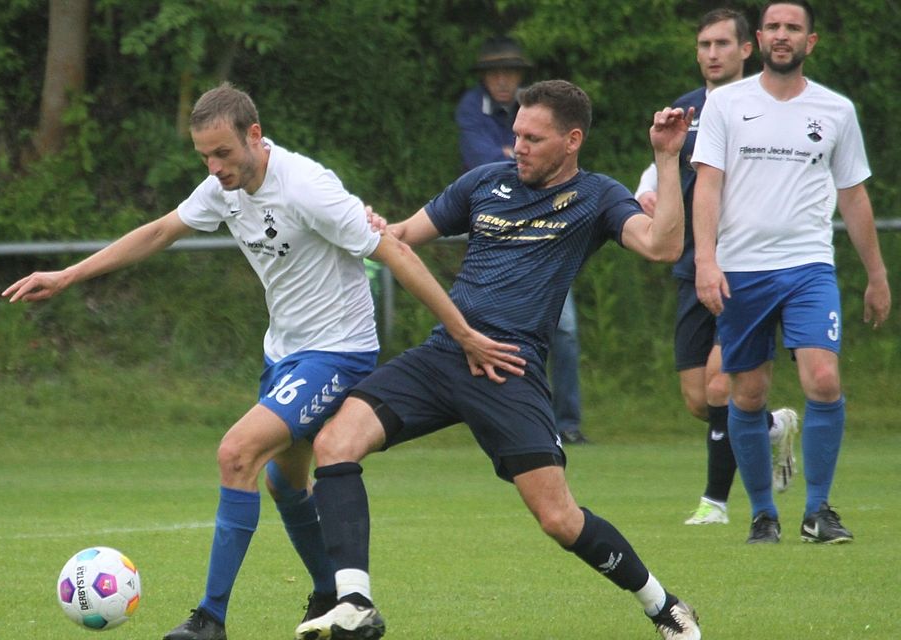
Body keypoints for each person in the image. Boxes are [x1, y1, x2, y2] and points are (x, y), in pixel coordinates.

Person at [2, 82, 524, 640]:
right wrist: (68, 275)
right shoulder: (221, 189)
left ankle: (210, 618)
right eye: (204, 155)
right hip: (284, 353)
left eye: (222, 152)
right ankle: (336, 598)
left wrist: (463, 333)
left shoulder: (308, 188)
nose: (214, 165)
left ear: (254, 134)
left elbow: (393, 250)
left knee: (236, 453)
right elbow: (159, 231)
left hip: (339, 352)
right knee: (283, 482)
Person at [295, 80, 702, 640]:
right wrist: (365, 222)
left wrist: (666, 156)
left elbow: (662, 246)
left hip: (509, 367)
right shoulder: (484, 183)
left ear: (572, 140)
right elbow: (402, 236)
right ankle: (354, 602)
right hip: (446, 352)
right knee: (334, 443)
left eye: (534, 138)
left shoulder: (598, 197)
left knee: (559, 520)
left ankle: (663, 605)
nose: (519, 147)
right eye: (516, 135)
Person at [692, 0, 891, 544]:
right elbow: (707, 184)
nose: (783, 36)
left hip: (809, 264)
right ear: (759, 38)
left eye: (793, 28)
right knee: (750, 394)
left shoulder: (836, 110)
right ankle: (763, 513)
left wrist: (877, 275)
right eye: (774, 27)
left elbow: (853, 195)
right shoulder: (727, 104)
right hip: (741, 269)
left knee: (823, 378)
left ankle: (817, 511)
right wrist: (705, 260)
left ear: (811, 41)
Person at [634, 9, 799, 526]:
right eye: (704, 44)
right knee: (697, 401)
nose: (711, 54)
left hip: (747, 267)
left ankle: (716, 503)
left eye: (722, 44)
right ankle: (770, 427)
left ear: (746, 49)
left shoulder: (771, 108)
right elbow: (660, 166)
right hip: (691, 266)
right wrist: (647, 190)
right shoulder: (684, 111)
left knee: (718, 386)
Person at [456, 35, 588, 444]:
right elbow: (488, 165)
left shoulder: (537, 109)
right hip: (498, 231)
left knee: (563, 329)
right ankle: (498, 418)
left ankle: (567, 424)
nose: (502, 79)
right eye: (494, 72)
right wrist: (532, 158)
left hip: (547, 231)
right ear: (484, 77)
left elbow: (550, 165)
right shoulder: (470, 108)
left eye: (509, 71)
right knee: (482, 326)